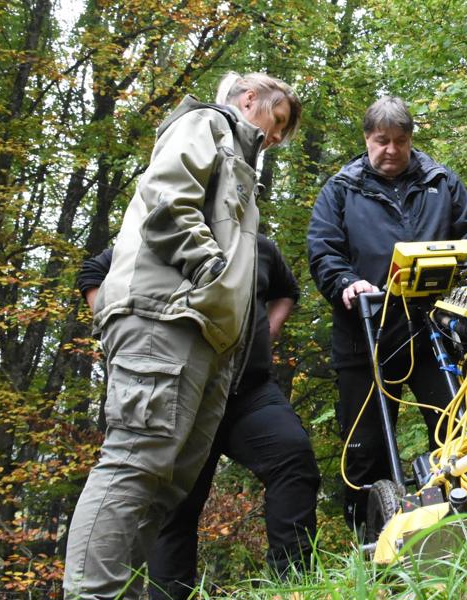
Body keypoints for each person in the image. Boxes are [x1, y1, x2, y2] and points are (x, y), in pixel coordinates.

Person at [64, 72, 301, 600]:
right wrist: (211, 273)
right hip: (165, 317)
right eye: (277, 120)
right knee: (135, 460)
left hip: (203, 335)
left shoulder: (238, 157)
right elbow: (168, 198)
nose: (278, 136)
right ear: (248, 99)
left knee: (168, 482)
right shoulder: (206, 123)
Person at [76, 233, 320, 599]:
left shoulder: (257, 246)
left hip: (248, 391)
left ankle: (293, 586)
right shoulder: (158, 236)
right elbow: (92, 273)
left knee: (292, 455)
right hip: (181, 392)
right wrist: (117, 326)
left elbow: (287, 289)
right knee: (175, 504)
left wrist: (269, 329)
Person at [306, 96, 467, 532]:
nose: (390, 150)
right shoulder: (341, 189)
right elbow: (323, 250)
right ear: (367, 140)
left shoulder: (440, 181)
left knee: (454, 428)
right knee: (365, 445)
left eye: (399, 141)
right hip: (366, 334)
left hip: (434, 332)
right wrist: (346, 283)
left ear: (411, 139)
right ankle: (371, 542)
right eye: (380, 141)